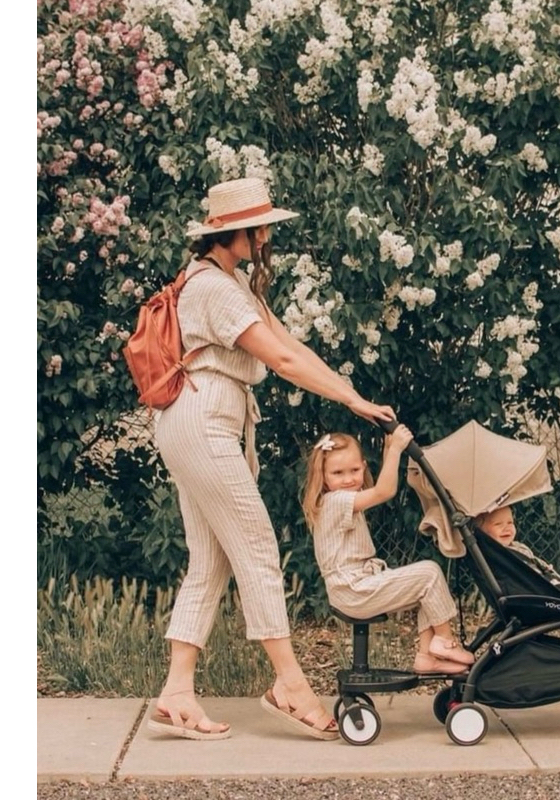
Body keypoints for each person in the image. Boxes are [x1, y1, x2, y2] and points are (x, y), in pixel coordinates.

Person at [148, 177, 395, 742]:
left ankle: (177, 692)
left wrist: (352, 396)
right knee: (258, 547)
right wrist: (352, 402)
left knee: (209, 561)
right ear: (233, 233)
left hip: (197, 419)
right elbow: (281, 361)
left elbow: (292, 346)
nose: (265, 238)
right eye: (259, 229)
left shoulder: (230, 282)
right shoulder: (214, 288)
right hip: (204, 418)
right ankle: (290, 684)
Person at [302, 427, 474, 675]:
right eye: (338, 473)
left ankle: (427, 657)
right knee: (429, 573)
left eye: (354, 470)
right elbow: (384, 491)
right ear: (323, 475)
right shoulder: (335, 501)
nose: (348, 479)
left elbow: (381, 484)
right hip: (353, 590)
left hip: (357, 586)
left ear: (363, 467)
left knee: (425, 588)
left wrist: (389, 449)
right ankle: (445, 642)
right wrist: (395, 451)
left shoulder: (341, 498)